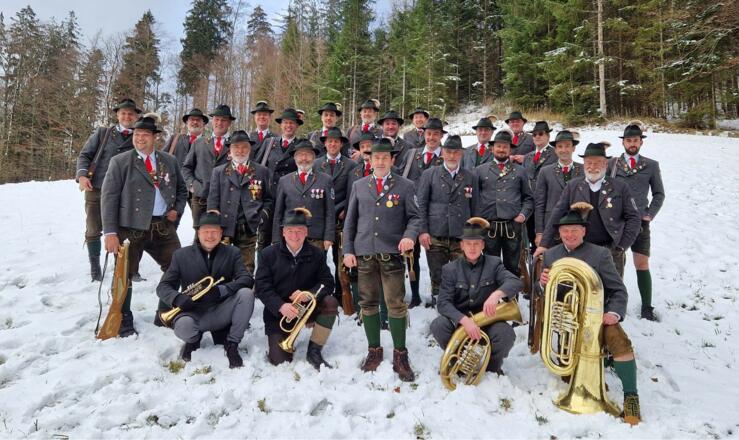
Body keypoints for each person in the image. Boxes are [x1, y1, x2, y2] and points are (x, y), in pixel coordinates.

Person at [540, 204, 641, 425]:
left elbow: (618, 290)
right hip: (570, 322)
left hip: (599, 317)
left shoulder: (600, 254)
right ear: (559, 233)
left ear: (584, 231)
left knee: (619, 340)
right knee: (569, 372)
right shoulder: (550, 256)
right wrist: (543, 284)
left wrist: (613, 313)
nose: (570, 235)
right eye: (565, 231)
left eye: (575, 230)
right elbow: (547, 296)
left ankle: (631, 396)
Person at [101, 114, 188, 335]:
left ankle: (164, 311)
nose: (140, 138)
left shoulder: (169, 160)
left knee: (178, 267)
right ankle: (123, 317)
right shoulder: (120, 161)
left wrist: (176, 210)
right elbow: (108, 198)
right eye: (137, 134)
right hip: (130, 228)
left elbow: (181, 190)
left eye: (145, 134)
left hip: (162, 227)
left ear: (154, 137)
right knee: (124, 273)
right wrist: (110, 232)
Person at [343, 138, 421, 382]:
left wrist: (409, 236)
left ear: (392, 160)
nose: (380, 161)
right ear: (370, 160)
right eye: (376, 157)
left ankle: (400, 354)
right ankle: (374, 350)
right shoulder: (359, 185)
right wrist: (348, 250)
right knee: (367, 303)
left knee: (395, 304)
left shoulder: (405, 186)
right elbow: (350, 222)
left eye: (385, 157)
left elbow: (415, 218)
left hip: (391, 254)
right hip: (365, 253)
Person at [156, 211, 255, 368]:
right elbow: (163, 286)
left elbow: (246, 279)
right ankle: (193, 340)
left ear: (221, 233)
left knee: (246, 294)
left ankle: (232, 344)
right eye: (206, 231)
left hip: (221, 310)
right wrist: (177, 298)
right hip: (193, 312)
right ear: (198, 232)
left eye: (214, 231)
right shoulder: (181, 255)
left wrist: (222, 290)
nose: (210, 236)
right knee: (184, 327)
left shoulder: (232, 252)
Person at [431, 217, 522, 375]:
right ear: (462, 245)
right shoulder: (450, 269)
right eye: (468, 243)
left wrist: (496, 294)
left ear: (483, 245)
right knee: (438, 325)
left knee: (506, 334)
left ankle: (491, 366)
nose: (472, 248)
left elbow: (515, 282)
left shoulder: (494, 264)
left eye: (476, 244)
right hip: (461, 324)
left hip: (488, 323)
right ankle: (457, 360)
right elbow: (443, 303)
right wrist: (464, 320)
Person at [536, 142, 641, 278]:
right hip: (579, 248)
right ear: (584, 164)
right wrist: (544, 244)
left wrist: (621, 246)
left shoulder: (620, 187)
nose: (592, 167)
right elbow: (557, 214)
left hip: (610, 249)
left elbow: (634, 218)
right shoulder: (573, 186)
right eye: (589, 163)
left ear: (605, 164)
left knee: (611, 287)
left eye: (597, 163)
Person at [255, 208, 338, 369]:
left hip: (306, 308)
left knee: (330, 302)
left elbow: (328, 282)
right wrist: (280, 306)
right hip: (279, 314)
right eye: (290, 231)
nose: (295, 235)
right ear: (283, 232)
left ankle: (314, 350)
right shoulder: (267, 254)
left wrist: (310, 295)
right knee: (279, 361)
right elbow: (262, 287)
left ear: (306, 232)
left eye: (299, 230)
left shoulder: (317, 254)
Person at [75, 98, 139, 281]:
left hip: (124, 193)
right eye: (123, 113)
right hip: (97, 188)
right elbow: (84, 155)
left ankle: (125, 268)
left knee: (124, 230)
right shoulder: (103, 133)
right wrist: (82, 176)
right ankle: (95, 267)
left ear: (136, 116)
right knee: (93, 229)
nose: (127, 116)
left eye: (131, 114)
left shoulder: (140, 137)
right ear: (117, 115)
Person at [608, 121, 665, 321]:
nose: (632, 143)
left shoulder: (651, 165)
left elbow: (659, 194)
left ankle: (647, 307)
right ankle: (614, 303)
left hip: (640, 222)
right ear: (623, 142)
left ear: (641, 142)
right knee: (614, 262)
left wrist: (650, 213)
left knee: (641, 262)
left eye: (635, 140)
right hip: (618, 221)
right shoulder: (612, 164)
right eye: (628, 140)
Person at [416, 135, 477, 308]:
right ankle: (439, 305)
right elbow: (421, 204)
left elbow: (475, 207)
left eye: (456, 152)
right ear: (442, 152)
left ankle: (459, 307)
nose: (452, 156)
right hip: (436, 234)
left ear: (461, 154)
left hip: (461, 235)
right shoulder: (429, 174)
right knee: (438, 275)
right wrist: (423, 231)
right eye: (448, 152)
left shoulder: (470, 176)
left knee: (462, 274)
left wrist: (473, 236)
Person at [206, 130, 272, 274]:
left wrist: (262, 216)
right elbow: (212, 199)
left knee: (246, 268)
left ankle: (244, 286)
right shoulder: (219, 171)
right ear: (229, 150)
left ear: (250, 149)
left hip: (248, 227)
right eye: (236, 147)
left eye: (244, 147)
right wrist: (213, 222)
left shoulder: (261, 171)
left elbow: (268, 199)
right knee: (221, 266)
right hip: (224, 227)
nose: (240, 151)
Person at [399, 117, 446, 306]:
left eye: (436, 134)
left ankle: (439, 295)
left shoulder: (447, 156)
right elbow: (400, 175)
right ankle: (415, 295)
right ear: (423, 134)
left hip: (436, 216)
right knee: (411, 258)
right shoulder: (412, 154)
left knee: (436, 259)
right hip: (411, 214)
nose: (431, 137)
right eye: (429, 133)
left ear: (441, 136)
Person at [474, 129, 533, 276]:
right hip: (489, 226)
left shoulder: (520, 171)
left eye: (505, 147)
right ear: (492, 148)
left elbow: (528, 198)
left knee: (512, 267)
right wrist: (479, 219)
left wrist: (522, 216)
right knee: (489, 267)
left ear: (510, 149)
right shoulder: (480, 170)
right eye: (498, 146)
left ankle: (511, 291)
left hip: (512, 226)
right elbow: (474, 198)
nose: (501, 149)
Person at [314, 127, 357, 304]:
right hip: (321, 219)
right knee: (319, 259)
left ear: (341, 144)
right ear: (325, 143)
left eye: (336, 141)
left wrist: (345, 209)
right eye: (329, 141)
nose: (332, 144)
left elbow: (352, 192)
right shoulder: (316, 164)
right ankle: (320, 293)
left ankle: (341, 294)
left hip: (341, 218)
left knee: (341, 260)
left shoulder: (351, 165)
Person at [272, 139, 335, 251]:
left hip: (316, 238)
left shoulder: (325, 180)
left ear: (314, 157)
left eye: (308, 154)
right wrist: (277, 239)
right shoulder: (284, 181)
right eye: (300, 155)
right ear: (294, 158)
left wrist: (329, 237)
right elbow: (278, 212)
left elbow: (330, 212)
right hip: (291, 237)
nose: (304, 158)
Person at [182, 104, 236, 227]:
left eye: (224, 120)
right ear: (212, 121)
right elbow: (186, 168)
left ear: (229, 123)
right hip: (200, 198)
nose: (219, 123)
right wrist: (192, 185)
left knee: (224, 233)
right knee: (200, 234)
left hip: (226, 199)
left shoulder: (235, 144)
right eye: (217, 119)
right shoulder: (199, 142)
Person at [534, 130, 584, 246]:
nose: (563, 150)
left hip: (577, 226)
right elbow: (540, 204)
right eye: (560, 147)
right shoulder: (545, 171)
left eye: (567, 146)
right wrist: (540, 232)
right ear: (555, 150)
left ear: (573, 148)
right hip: (552, 227)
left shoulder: (583, 170)